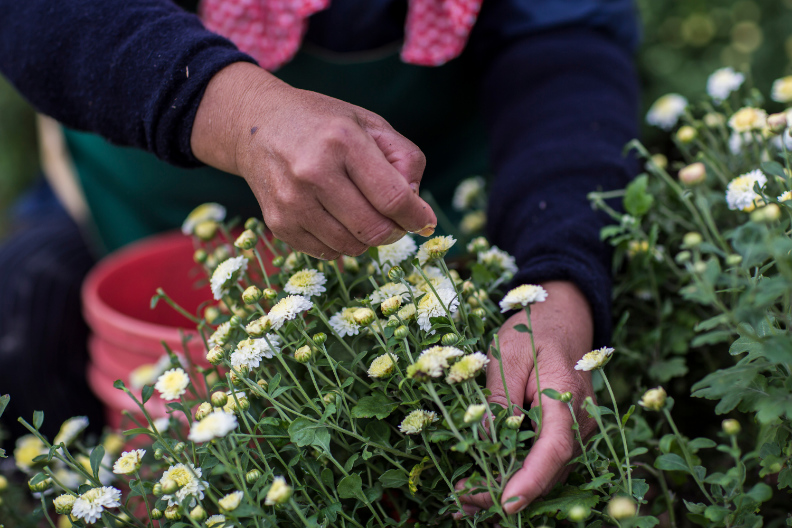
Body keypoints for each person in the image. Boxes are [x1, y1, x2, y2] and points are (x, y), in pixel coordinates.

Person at [0, 0, 640, 515]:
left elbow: (566, 49)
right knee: (31, 309)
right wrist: (240, 113)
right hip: (135, 197)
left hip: (418, 222)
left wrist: (558, 284)